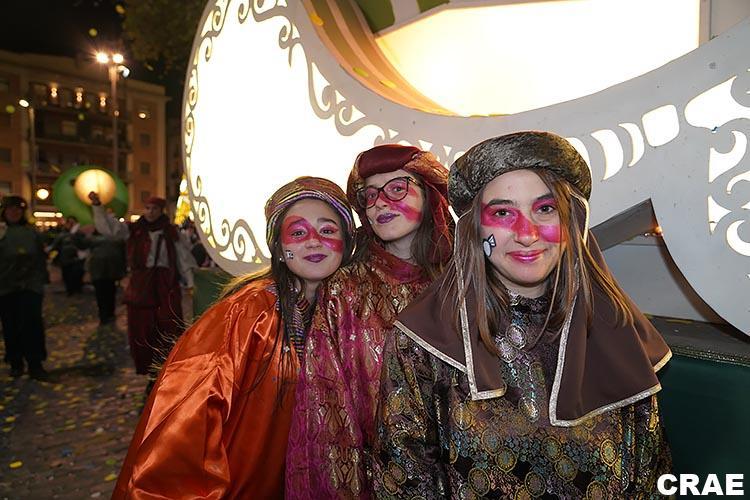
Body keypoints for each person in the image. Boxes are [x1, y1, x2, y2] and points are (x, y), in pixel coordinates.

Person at [372, 131, 672, 498]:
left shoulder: (617, 330)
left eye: (545, 209)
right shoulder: (421, 341)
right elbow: (404, 485)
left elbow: (650, 480)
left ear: (571, 222)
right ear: (474, 229)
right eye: (502, 213)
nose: (527, 234)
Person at [112, 177, 356, 498]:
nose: (313, 241)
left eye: (327, 230)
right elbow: (186, 421)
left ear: (347, 243)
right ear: (278, 248)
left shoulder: (352, 314)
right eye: (298, 232)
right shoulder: (247, 313)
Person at [286, 145, 453, 498]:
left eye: (397, 189)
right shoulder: (344, 290)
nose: (379, 203)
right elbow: (327, 409)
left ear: (429, 195)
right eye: (370, 195)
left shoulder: (462, 283)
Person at [90, 193, 196, 376]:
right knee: (141, 327)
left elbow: (183, 258)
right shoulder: (135, 229)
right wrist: (98, 206)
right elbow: (109, 228)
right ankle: (149, 368)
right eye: (148, 208)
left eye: (154, 209)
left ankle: (167, 367)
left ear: (161, 210)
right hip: (141, 285)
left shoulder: (171, 232)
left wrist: (191, 282)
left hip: (165, 284)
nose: (150, 212)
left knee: (168, 324)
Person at [0, 195, 49, 379]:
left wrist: (39, 281)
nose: (14, 212)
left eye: (18, 209)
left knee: (32, 325)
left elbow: (40, 258)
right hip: (6, 287)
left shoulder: (32, 233)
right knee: (10, 325)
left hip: (30, 286)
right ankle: (15, 362)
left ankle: (35, 363)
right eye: (10, 209)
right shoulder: (1, 231)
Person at [77, 225, 127, 325]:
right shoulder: (117, 239)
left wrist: (79, 232)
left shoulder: (93, 240)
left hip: (98, 270)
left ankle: (104, 316)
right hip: (112, 271)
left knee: (101, 294)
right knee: (110, 292)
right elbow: (124, 255)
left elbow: (81, 244)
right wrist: (123, 270)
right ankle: (110, 314)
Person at [50, 216, 85, 295]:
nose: (71, 225)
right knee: (67, 275)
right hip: (66, 259)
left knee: (78, 274)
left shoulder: (80, 234)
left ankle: (77, 288)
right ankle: (70, 290)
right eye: (69, 223)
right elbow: (55, 245)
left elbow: (84, 244)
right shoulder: (62, 235)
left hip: (77, 259)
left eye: (73, 223)